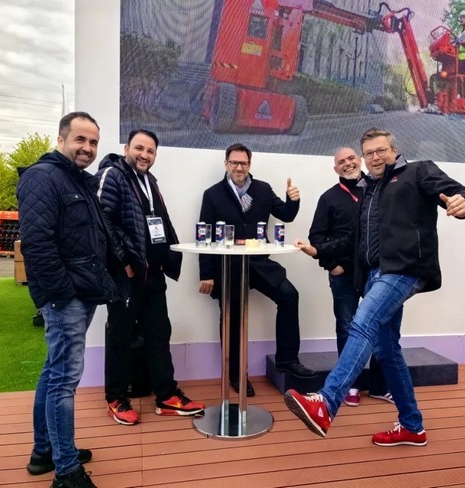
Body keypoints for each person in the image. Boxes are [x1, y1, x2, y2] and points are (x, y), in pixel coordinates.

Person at [285, 128, 465, 446]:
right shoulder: (368, 190)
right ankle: (412, 426)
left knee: (362, 322)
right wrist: (320, 252)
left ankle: (326, 402)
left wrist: (464, 202)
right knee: (387, 351)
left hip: (405, 269)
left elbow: (460, 192)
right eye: (369, 153)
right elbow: (354, 240)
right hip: (375, 275)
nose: (375, 157)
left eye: (381, 151)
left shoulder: (418, 172)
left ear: (394, 151)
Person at [17, 111, 123, 488]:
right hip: (66, 297)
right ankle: (66, 471)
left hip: (81, 292)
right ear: (61, 139)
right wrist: (62, 295)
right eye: (80, 139)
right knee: (64, 379)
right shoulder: (43, 177)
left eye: (93, 142)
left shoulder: (76, 179)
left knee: (54, 371)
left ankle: (45, 452)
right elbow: (37, 245)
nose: (87, 148)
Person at [96, 129, 204, 425]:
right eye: (139, 148)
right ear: (126, 148)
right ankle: (116, 398)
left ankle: (166, 396)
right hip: (127, 276)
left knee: (158, 334)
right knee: (120, 336)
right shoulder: (112, 175)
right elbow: (101, 221)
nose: (144, 155)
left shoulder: (149, 180)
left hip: (152, 273)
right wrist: (124, 262)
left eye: (150, 151)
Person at [198, 143, 316, 397]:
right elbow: (204, 234)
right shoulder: (212, 194)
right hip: (228, 266)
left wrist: (293, 200)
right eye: (234, 162)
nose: (239, 167)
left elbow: (286, 215)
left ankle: (287, 360)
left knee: (289, 296)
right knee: (232, 317)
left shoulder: (263, 189)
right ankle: (236, 374)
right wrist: (206, 274)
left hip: (259, 264)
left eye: (244, 163)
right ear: (226, 164)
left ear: (249, 165)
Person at [308, 146, 392, 407]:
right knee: (346, 325)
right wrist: (331, 265)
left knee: (381, 324)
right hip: (343, 275)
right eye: (341, 161)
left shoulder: (378, 190)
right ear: (336, 169)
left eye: (351, 158)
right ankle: (350, 386)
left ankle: (379, 385)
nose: (347, 164)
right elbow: (316, 237)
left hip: (375, 272)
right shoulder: (328, 198)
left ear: (360, 160)